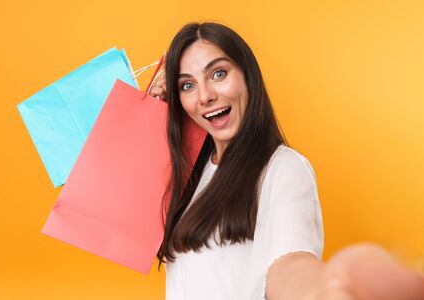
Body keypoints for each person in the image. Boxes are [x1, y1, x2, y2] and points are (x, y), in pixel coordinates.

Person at [149, 22, 424, 300]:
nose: (205, 96)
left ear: (247, 76)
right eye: (187, 85)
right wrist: (151, 114)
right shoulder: (193, 175)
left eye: (219, 73)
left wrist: (326, 288)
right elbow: (130, 223)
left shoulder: (284, 169)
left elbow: (290, 262)